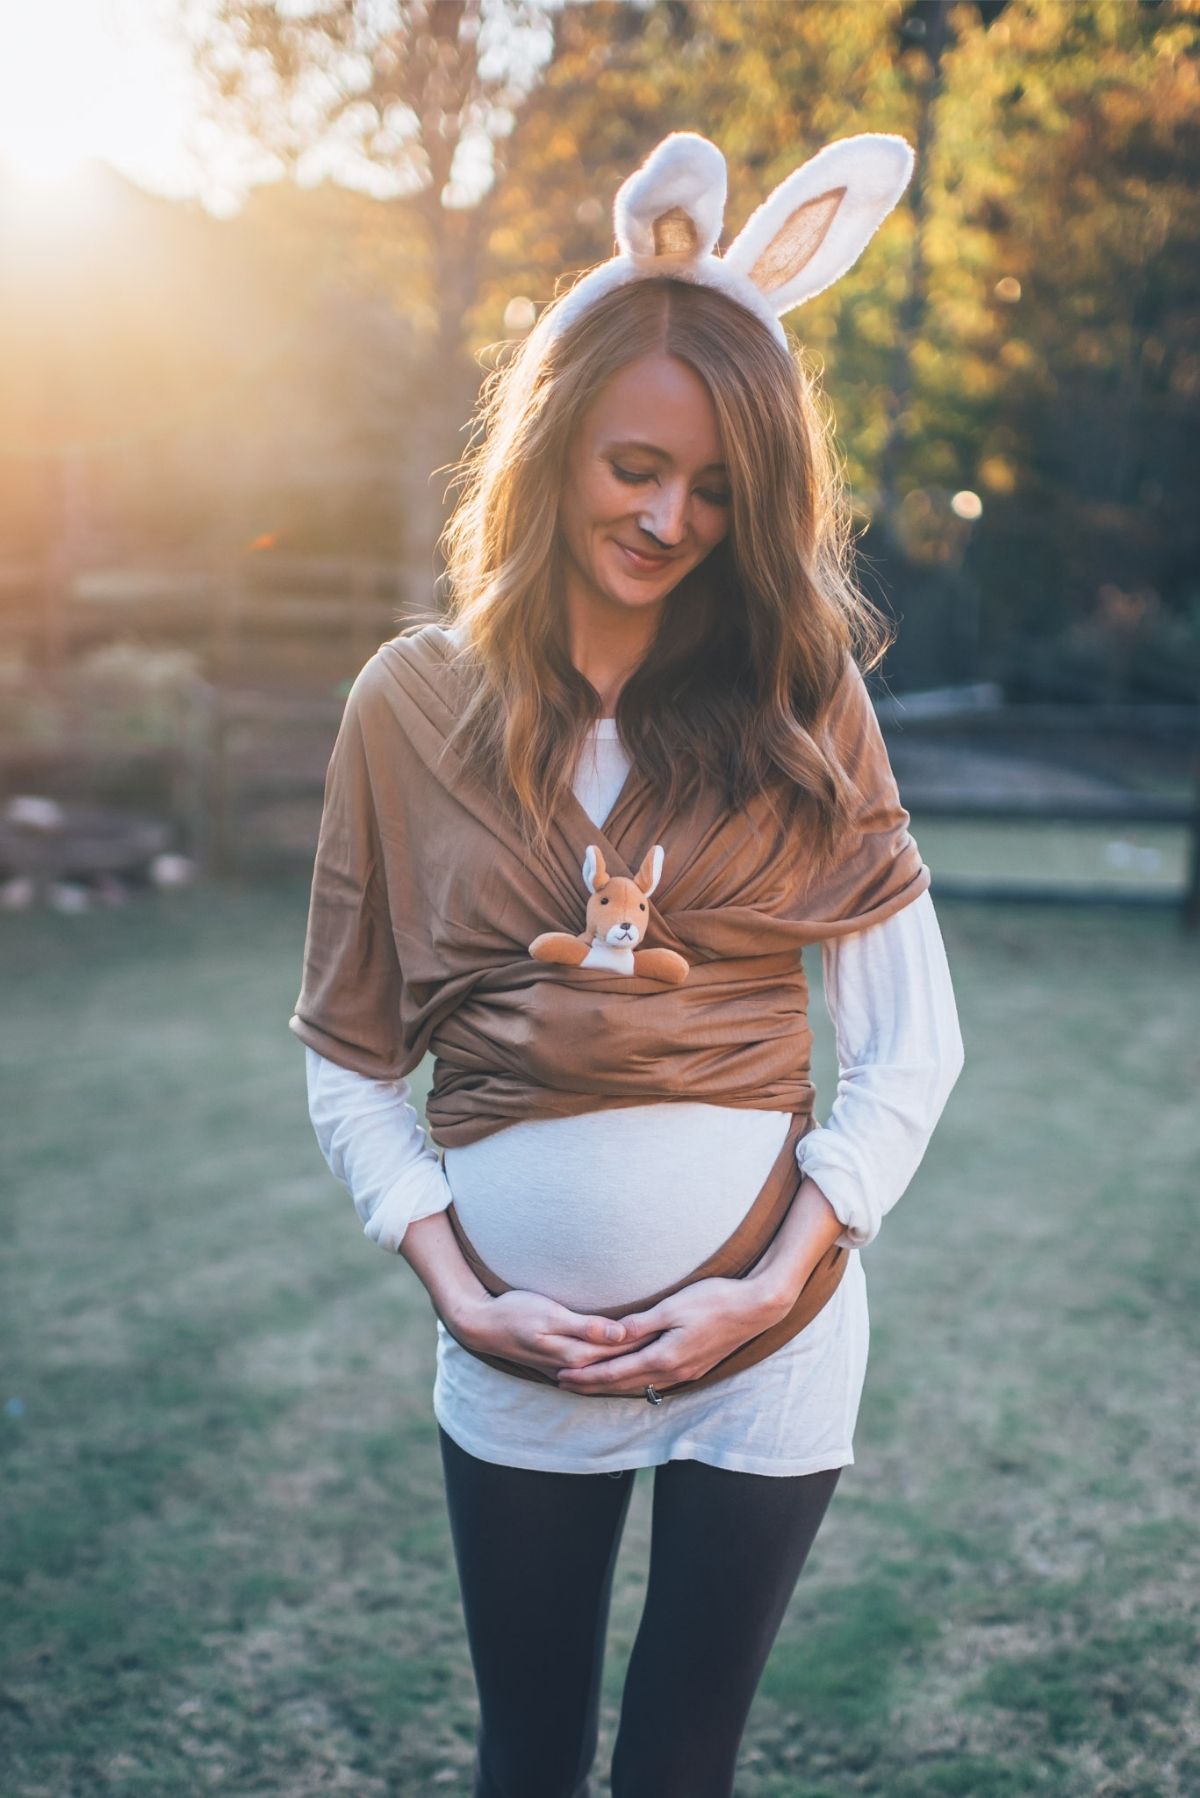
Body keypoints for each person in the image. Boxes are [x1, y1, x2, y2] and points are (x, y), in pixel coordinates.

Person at [292, 132, 965, 1798]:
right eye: (636, 465)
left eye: (723, 488)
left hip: (774, 1345)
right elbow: (351, 1053)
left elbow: (907, 1046)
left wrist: (775, 1279)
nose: (671, 517)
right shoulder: (405, 706)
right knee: (528, 1765)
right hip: (521, 1353)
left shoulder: (803, 705)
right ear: (551, 447)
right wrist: (463, 1291)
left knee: (682, 1770)